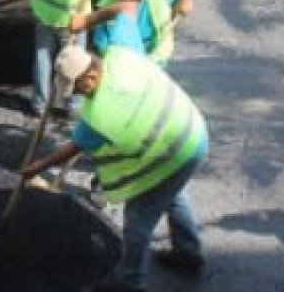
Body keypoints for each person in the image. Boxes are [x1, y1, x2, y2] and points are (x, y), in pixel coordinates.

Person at [20, 44, 208, 292]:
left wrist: (37, 166)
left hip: (169, 152)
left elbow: (73, 148)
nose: (77, 94)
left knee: (137, 221)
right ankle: (188, 251)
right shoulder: (121, 56)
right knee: (174, 194)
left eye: (77, 88)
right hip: (192, 134)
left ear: (91, 76)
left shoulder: (100, 115)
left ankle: (129, 280)